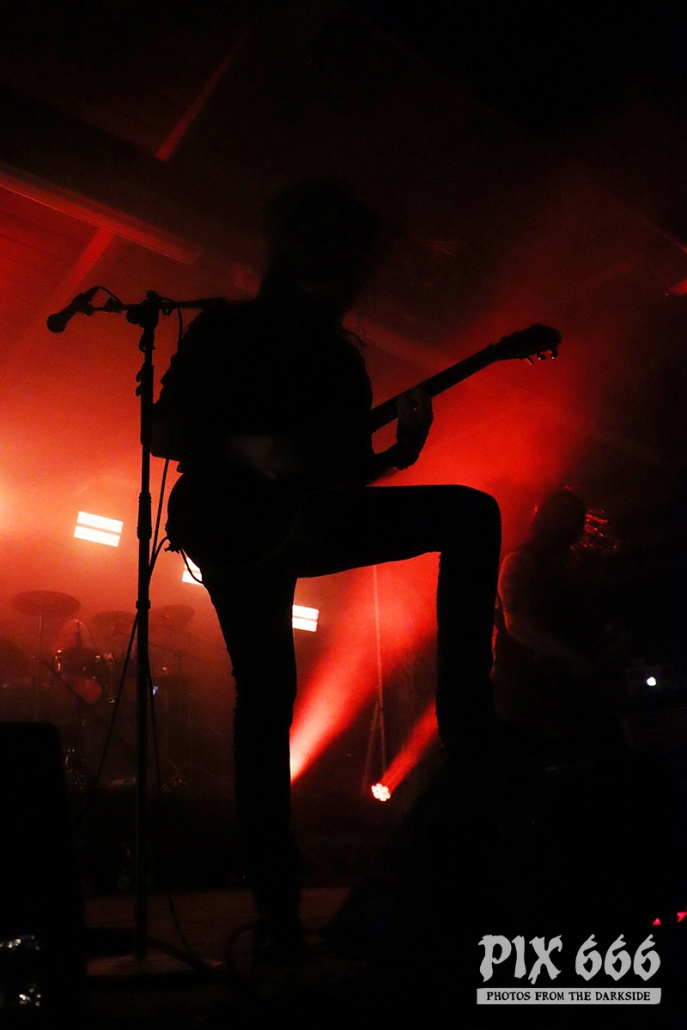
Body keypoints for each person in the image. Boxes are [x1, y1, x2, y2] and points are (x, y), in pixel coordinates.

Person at [152, 181, 502, 959]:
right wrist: (244, 446)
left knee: (469, 513)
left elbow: (335, 485)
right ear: (294, 253)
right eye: (333, 256)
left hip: (302, 521)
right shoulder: (225, 330)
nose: (346, 278)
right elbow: (161, 429)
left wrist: (400, 455)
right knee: (266, 697)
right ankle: (277, 914)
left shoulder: (344, 363)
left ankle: (468, 728)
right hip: (228, 524)